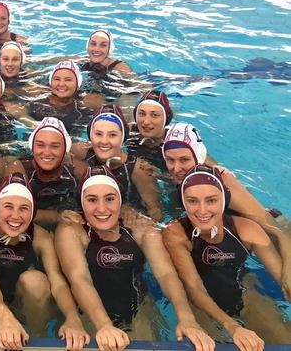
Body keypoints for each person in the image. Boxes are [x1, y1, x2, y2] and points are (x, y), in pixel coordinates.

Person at [55, 166, 215, 351]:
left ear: (121, 201)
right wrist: (104, 325)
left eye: (110, 199)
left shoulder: (141, 228)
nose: (101, 208)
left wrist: (186, 318)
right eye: (92, 200)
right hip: (88, 313)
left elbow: (166, 274)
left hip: (138, 309)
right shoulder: (72, 229)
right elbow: (79, 278)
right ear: (81, 203)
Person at [162, 165, 291, 349]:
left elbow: (283, 278)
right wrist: (232, 326)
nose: (202, 210)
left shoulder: (247, 230)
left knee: (284, 337)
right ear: (183, 202)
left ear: (224, 199)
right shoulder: (176, 234)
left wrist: (287, 275)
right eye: (192, 201)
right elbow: (194, 287)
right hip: (200, 306)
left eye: (211, 200)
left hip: (244, 296)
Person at [162, 122, 291, 299]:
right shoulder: (175, 178)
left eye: (184, 160)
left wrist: (288, 266)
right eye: (170, 160)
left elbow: (279, 232)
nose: (176, 168)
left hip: (270, 224)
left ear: (198, 156)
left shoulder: (222, 180)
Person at [0, 173, 90, 351]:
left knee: (36, 280)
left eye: (24, 208)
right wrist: (3, 315)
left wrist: (72, 318)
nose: (15, 216)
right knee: (1, 340)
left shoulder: (40, 237)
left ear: (32, 212)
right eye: (8, 207)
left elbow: (57, 282)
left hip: (24, 302)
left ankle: (37, 340)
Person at [75, 104, 162, 221]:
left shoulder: (138, 170)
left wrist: (134, 213)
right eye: (98, 134)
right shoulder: (81, 152)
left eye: (112, 135)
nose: (104, 141)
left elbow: (156, 212)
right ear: (90, 136)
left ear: (122, 137)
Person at [7, 117, 79, 230]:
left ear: (65, 149)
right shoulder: (19, 169)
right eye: (40, 145)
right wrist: (58, 216)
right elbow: (11, 212)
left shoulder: (76, 170)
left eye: (55, 146)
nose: (46, 153)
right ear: (32, 147)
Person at [14, 61, 105, 137]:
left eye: (68, 80)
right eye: (57, 79)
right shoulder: (38, 96)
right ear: (50, 82)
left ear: (78, 84)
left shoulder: (86, 103)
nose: (61, 84)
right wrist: (32, 124)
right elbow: (15, 110)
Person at [124, 90, 174, 173]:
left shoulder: (176, 141)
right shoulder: (128, 132)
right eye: (142, 114)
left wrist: (158, 175)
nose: (146, 122)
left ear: (166, 119)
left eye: (154, 115)